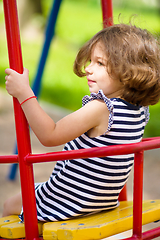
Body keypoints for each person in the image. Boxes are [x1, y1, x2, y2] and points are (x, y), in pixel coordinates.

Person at [3, 23, 160, 221]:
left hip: (68, 200)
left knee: (9, 206)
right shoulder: (139, 111)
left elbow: (50, 135)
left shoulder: (102, 108)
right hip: (102, 201)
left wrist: (24, 93)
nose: (88, 69)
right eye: (90, 61)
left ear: (128, 72)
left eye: (100, 63)